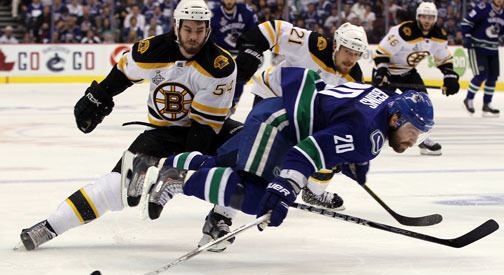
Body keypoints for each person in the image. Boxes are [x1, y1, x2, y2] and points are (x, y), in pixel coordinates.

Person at [19, 0, 237, 251]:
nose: (194, 37)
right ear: (176, 27)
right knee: (116, 187)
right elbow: (122, 73)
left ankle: (219, 219)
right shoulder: (151, 51)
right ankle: (50, 226)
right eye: (188, 29)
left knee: (246, 149)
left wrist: (176, 171)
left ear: (208, 29)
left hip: (204, 130)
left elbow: (204, 129)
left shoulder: (220, 66)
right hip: (163, 133)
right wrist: (100, 95)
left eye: (200, 30)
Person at [127, 67, 434, 237]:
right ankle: (176, 180)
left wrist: (354, 158)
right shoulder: (370, 134)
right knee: (258, 197)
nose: (411, 142)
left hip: (276, 111)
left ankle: (153, 164)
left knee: (220, 164)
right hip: (281, 128)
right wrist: (284, 188)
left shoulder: (387, 98)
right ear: (395, 119)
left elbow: (345, 120)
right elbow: (309, 152)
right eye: (411, 133)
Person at [236, 20, 367, 210]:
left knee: (330, 146)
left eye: (357, 55)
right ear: (336, 45)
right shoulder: (313, 44)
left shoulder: (354, 79)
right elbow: (275, 29)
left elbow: (346, 117)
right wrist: (251, 49)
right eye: (348, 52)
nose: (351, 59)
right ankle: (249, 188)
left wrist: (345, 151)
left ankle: (314, 192)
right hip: (273, 95)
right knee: (270, 153)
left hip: (303, 110)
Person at [372, 1, 460, 156]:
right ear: (418, 17)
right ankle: (371, 135)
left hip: (407, 72)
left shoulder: (439, 35)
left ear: (435, 18)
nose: (427, 21)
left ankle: (423, 140)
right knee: (378, 106)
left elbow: (443, 58)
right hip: (386, 71)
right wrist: (381, 73)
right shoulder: (403, 31)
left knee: (422, 102)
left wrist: (450, 76)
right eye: (424, 17)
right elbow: (382, 53)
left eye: (431, 17)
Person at [461, 0, 504, 117]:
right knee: (481, 75)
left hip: (493, 49)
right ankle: (468, 99)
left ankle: (487, 103)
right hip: (478, 48)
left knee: (492, 77)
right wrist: (467, 37)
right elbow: (466, 22)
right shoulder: (482, 8)